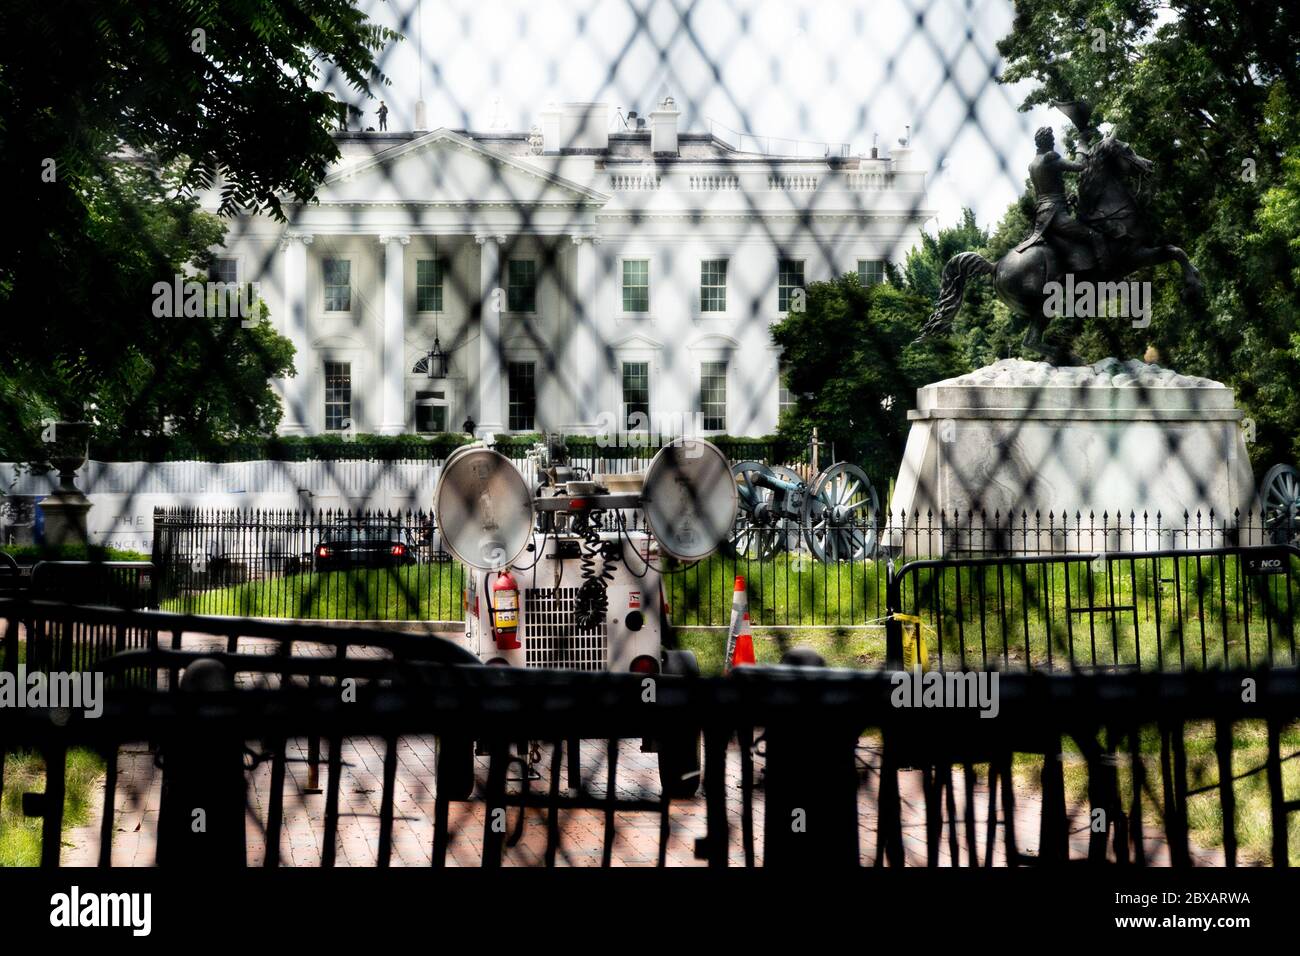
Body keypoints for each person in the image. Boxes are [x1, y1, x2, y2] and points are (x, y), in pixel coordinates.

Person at [1015, 126, 1108, 271]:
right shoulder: (1049, 158)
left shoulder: (1032, 165)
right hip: (1055, 215)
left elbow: (1046, 193)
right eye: (1051, 140)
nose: (1053, 143)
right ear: (1047, 142)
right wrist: (1082, 142)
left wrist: (1065, 199)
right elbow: (1080, 165)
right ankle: (1106, 272)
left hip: (1042, 216)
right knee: (1093, 235)